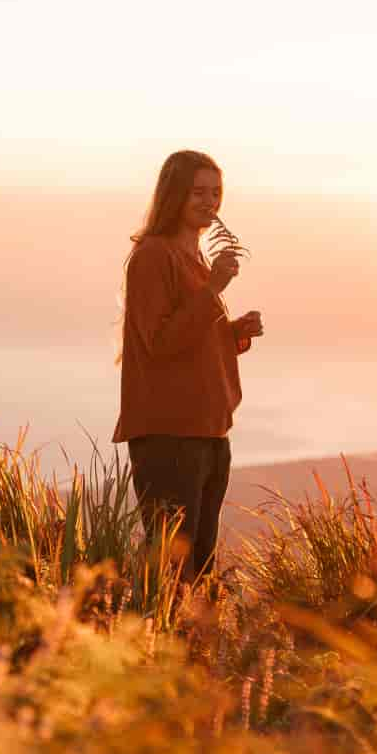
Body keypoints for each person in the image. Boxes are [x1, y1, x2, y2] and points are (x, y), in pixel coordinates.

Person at [112, 150, 264, 586]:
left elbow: (192, 340)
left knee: (199, 568)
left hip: (209, 433)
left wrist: (235, 331)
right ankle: (151, 649)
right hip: (169, 435)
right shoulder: (153, 258)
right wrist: (214, 287)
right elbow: (158, 344)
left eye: (216, 193)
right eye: (198, 192)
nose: (209, 202)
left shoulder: (194, 258)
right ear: (173, 194)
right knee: (171, 569)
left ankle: (190, 649)